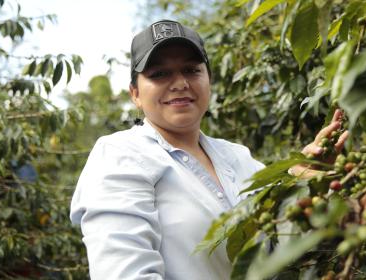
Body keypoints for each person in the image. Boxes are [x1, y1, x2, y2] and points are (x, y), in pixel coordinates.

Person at [70, 19, 348, 280]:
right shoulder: (121, 155)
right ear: (136, 94)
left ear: (209, 81)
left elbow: (278, 235)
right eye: (160, 74)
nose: (180, 83)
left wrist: (301, 178)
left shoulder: (237, 157)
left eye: (191, 70)